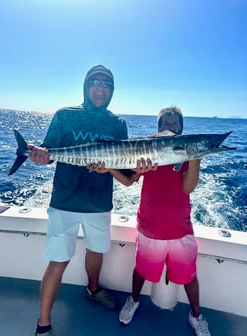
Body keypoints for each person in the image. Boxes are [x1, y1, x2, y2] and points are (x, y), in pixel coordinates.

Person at [28, 65, 128, 336]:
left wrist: (122, 168)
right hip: (65, 202)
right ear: (86, 86)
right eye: (95, 82)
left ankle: (93, 289)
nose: (100, 88)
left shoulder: (117, 124)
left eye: (106, 84)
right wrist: (40, 156)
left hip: (99, 203)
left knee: (97, 252)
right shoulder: (64, 116)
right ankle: (43, 323)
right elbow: (49, 152)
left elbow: (126, 169)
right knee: (58, 261)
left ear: (112, 91)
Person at [104, 107, 211, 336]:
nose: (170, 127)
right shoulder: (148, 149)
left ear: (181, 127)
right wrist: (109, 167)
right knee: (140, 271)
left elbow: (187, 188)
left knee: (189, 278)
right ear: (158, 127)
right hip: (148, 228)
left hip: (180, 230)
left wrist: (195, 161)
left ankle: (196, 315)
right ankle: (133, 301)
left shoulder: (184, 156)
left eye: (174, 123)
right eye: (165, 123)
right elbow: (128, 181)